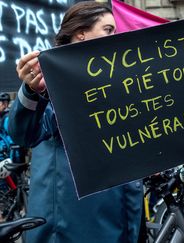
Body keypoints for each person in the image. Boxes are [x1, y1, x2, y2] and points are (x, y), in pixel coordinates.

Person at [9, 2, 143, 242]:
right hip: (75, 221)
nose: (114, 36)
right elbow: (23, 135)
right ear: (81, 33)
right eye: (108, 29)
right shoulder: (54, 77)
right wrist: (31, 93)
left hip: (119, 210)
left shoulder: (116, 79)